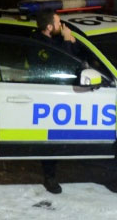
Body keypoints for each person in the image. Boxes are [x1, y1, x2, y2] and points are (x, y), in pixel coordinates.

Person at [30, 10, 76, 195]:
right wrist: (66, 40)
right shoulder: (39, 46)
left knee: (57, 138)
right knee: (50, 139)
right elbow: (62, 63)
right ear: (49, 27)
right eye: (57, 23)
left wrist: (71, 40)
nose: (61, 25)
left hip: (60, 95)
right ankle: (49, 177)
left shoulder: (51, 39)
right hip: (46, 97)